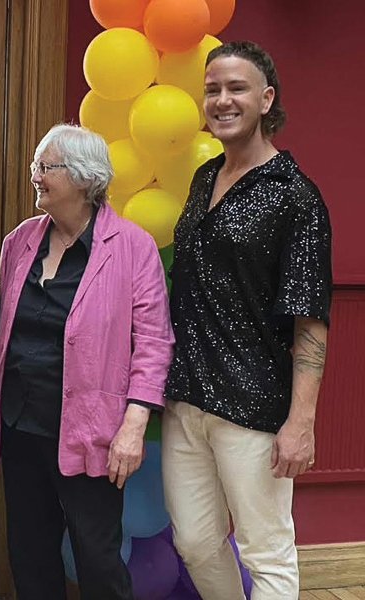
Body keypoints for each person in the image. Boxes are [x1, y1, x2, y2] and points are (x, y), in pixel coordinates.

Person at [0, 124, 174, 599]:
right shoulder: (20, 241)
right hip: (19, 422)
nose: (35, 175)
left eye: (46, 166)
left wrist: (134, 426)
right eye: (36, 165)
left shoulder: (133, 247)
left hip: (91, 430)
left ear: (84, 177)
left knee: (97, 558)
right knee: (30, 552)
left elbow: (154, 343)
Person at [162, 41, 332, 599]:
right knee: (194, 541)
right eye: (212, 89)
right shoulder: (203, 178)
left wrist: (300, 423)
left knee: (266, 550)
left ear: (266, 99)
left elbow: (310, 322)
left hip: (254, 406)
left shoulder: (296, 198)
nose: (222, 99)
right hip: (185, 397)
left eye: (236, 88)